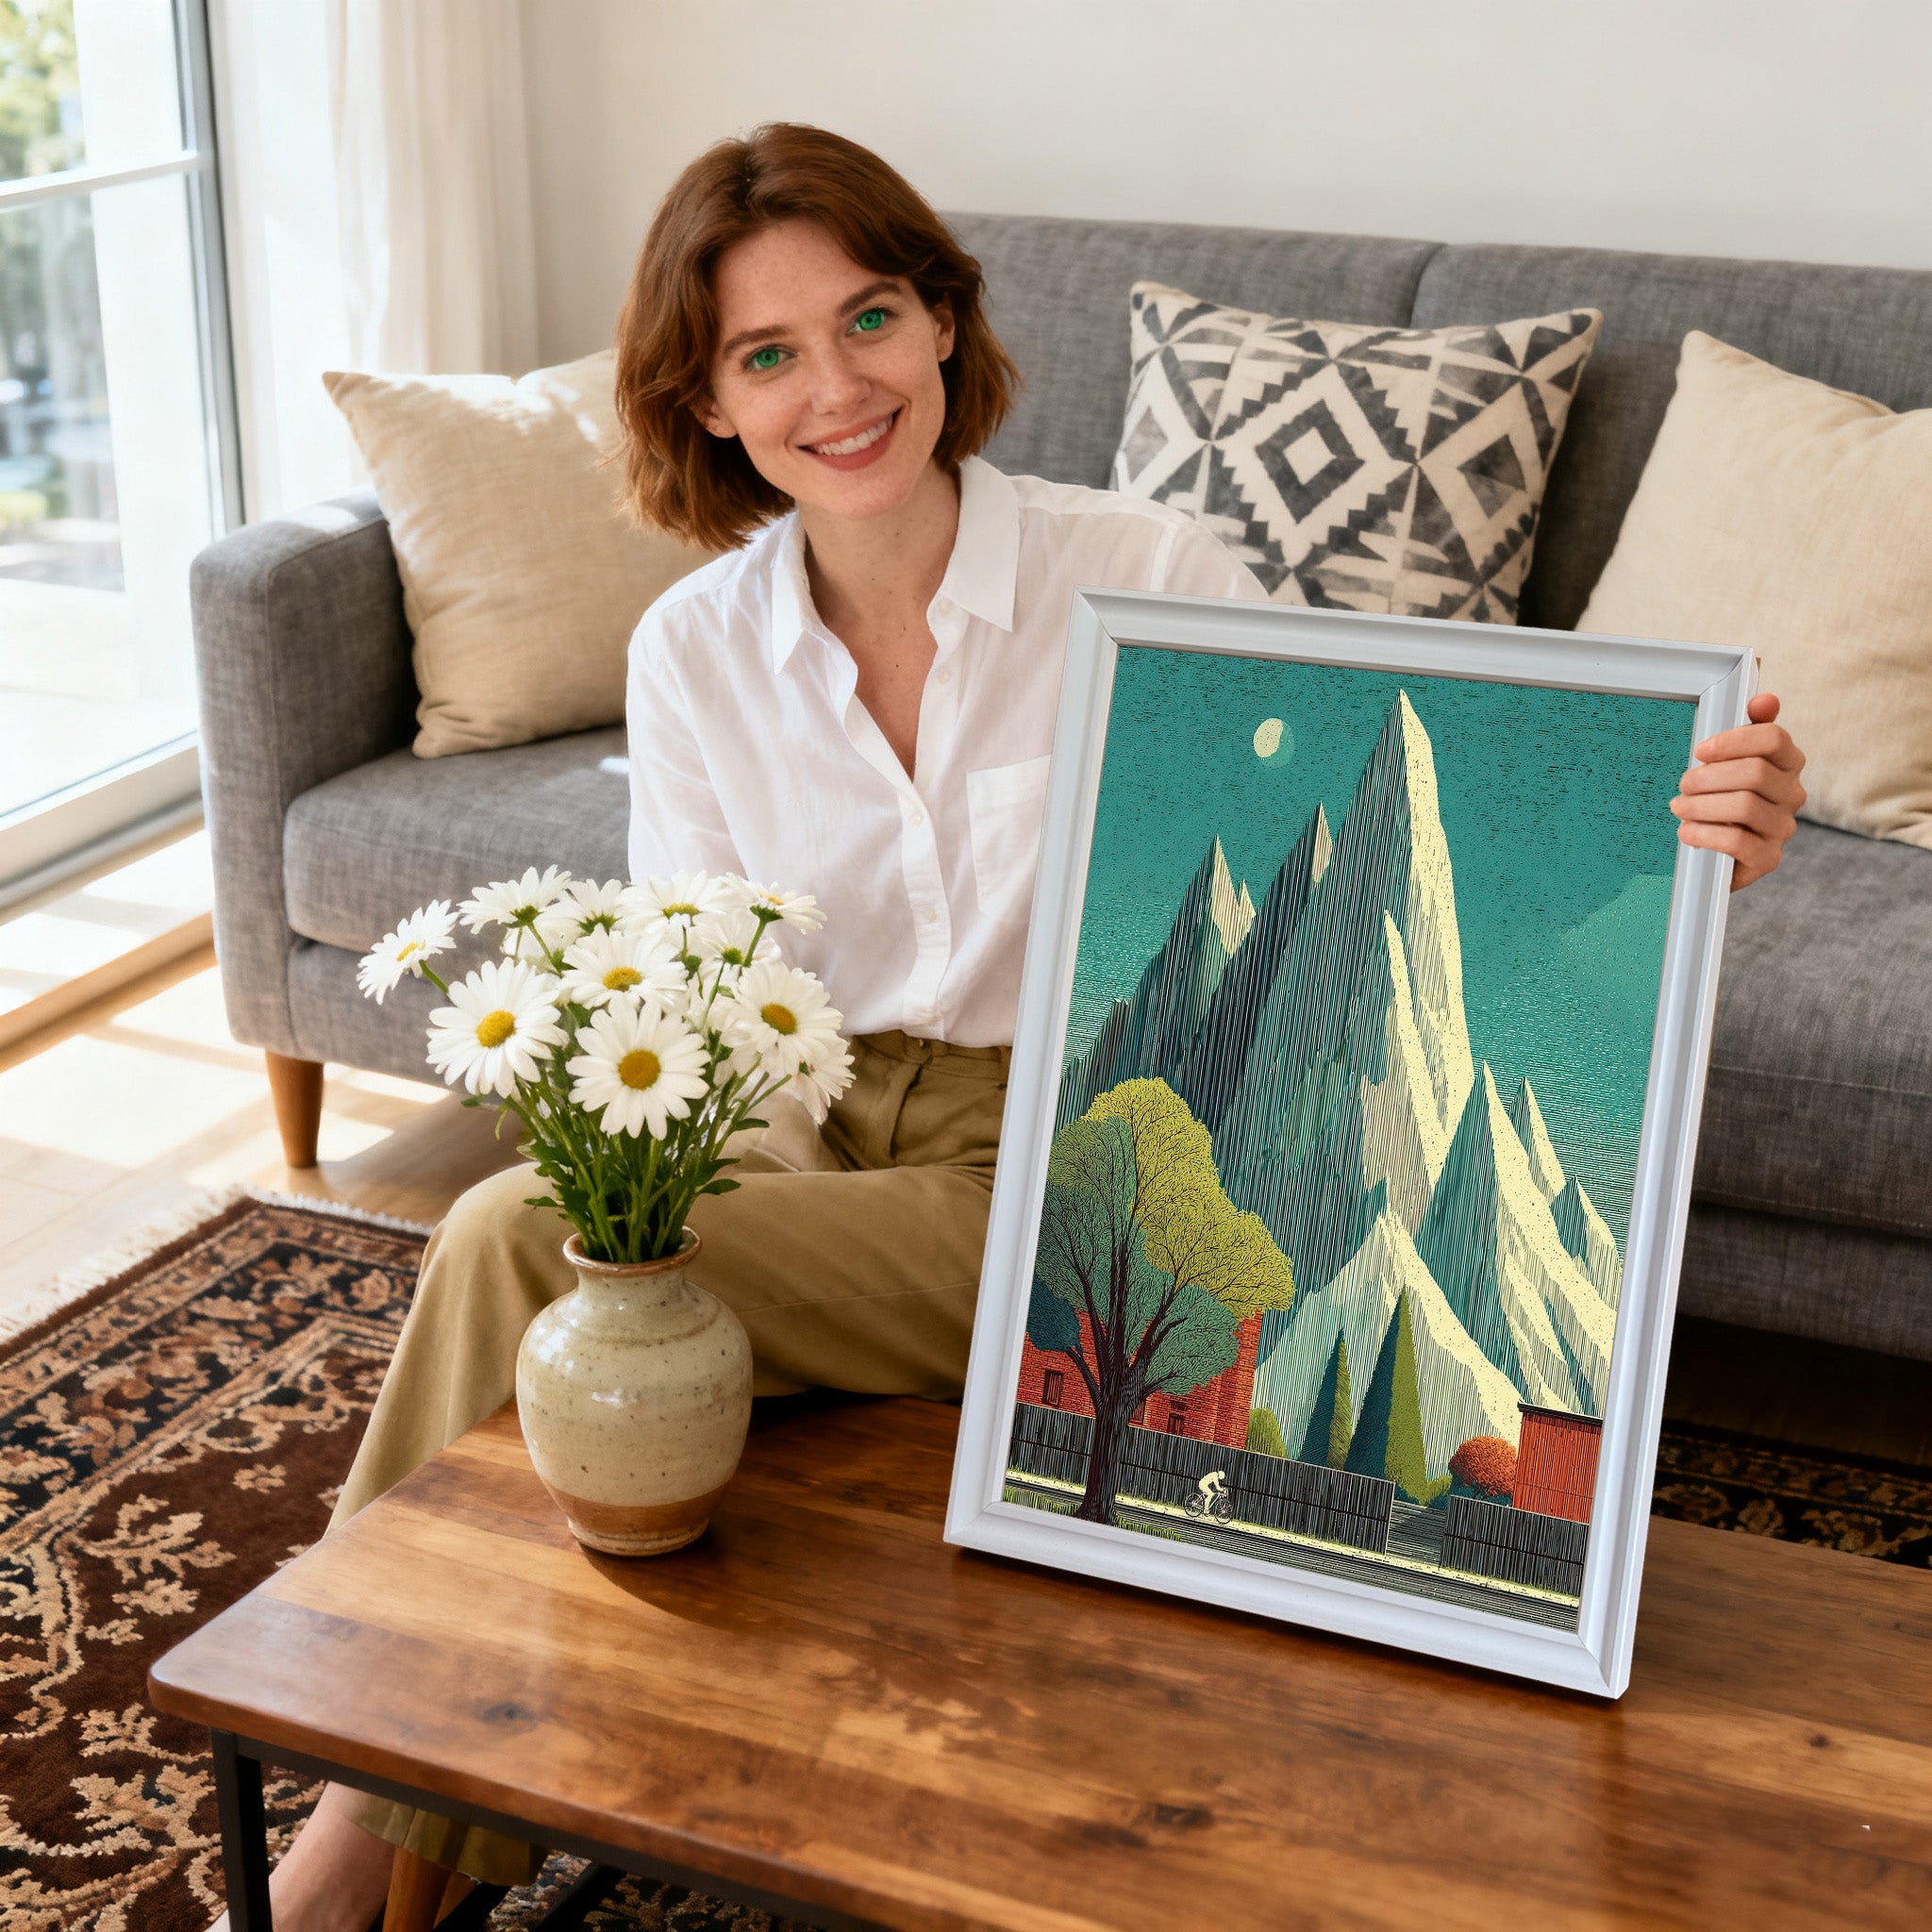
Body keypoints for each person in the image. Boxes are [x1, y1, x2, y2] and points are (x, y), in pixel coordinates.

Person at [228, 124, 1807, 1930]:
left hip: (1074, 1160)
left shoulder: (1146, 569)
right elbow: (703, 1013)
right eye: (767, 355)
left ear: (941, 319)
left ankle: (352, 1845)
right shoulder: (692, 651)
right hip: (810, 1142)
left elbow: (1401, 787)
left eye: (869, 319)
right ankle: (400, 1784)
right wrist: (667, 1194)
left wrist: (1699, 820)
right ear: (709, 405)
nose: (839, 389)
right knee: (551, 1248)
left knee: (521, 1254)